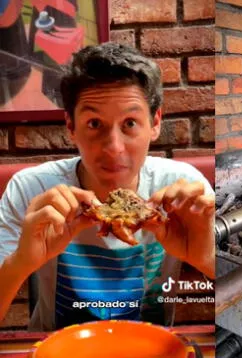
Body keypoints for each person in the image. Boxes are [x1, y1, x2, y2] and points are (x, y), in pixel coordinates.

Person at [0, 43, 215, 330]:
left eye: (129, 123)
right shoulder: (32, 190)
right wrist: (20, 263)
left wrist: (207, 259)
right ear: (71, 127)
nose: (113, 148)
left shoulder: (184, 189)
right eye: (94, 123)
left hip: (152, 346)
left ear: (155, 122)